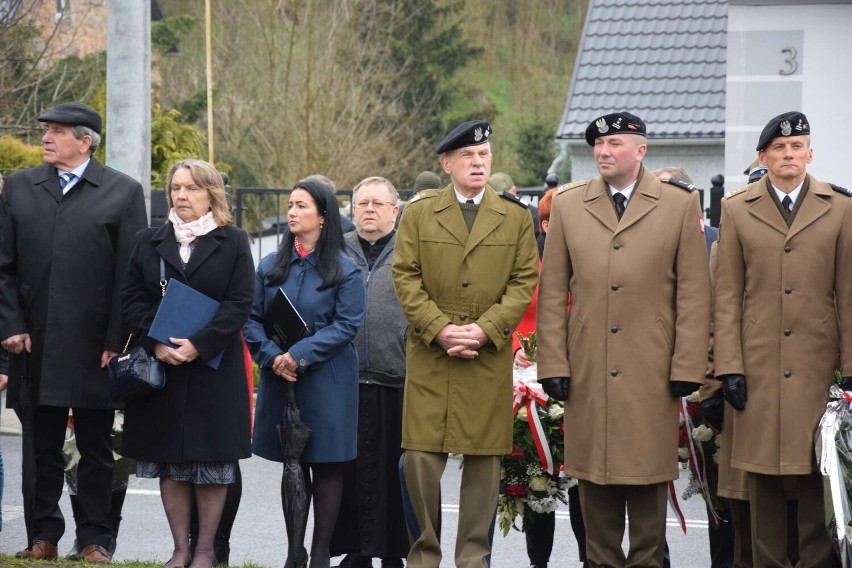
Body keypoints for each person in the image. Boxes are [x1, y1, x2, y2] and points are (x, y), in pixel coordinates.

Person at [536, 111, 711, 567]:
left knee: (649, 497)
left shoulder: (677, 205)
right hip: (589, 370)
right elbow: (553, 292)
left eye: (614, 143)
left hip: (652, 372)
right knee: (594, 491)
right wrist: (553, 364)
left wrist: (688, 365)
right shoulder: (571, 203)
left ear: (640, 150)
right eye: (598, 144)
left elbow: (693, 293)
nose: (603, 151)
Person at [0, 102, 148, 563]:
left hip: (94, 350)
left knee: (96, 448)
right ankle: (43, 536)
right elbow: (2, 268)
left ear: (85, 142)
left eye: (57, 131)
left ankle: (96, 539)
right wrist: (11, 326)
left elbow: (132, 274)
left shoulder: (122, 192)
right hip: (33, 343)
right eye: (45, 130)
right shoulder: (20, 187)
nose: (45, 137)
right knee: (40, 447)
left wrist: (116, 342)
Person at [392, 119, 539, 568]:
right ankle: (425, 555)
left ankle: (473, 559)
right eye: (468, 156)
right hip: (432, 354)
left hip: (485, 355)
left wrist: (485, 329)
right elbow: (405, 275)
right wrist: (439, 329)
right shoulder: (418, 213)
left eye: (484, 155)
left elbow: (524, 280)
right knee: (419, 458)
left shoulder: (515, 216)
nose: (478, 162)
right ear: (447, 163)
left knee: (483, 463)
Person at [713, 111, 852, 566]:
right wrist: (729, 366)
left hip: (818, 370)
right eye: (779, 148)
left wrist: (850, 371)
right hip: (758, 369)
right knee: (763, 481)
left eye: (797, 147)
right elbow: (728, 295)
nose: (788, 155)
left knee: (818, 476)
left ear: (810, 153)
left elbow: (849, 295)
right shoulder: (736, 209)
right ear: (764, 156)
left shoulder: (841, 208)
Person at [119, 159, 254, 568]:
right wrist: (157, 342)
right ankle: (180, 550)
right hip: (164, 372)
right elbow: (131, 299)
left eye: (191, 188)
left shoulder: (233, 241)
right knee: (171, 461)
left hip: (214, 368)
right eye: (176, 188)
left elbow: (240, 303)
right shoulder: (149, 240)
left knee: (211, 463)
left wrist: (200, 344)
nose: (181, 196)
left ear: (211, 194)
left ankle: (206, 551)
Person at [245, 177, 365, 568]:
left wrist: (298, 354)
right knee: (292, 463)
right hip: (283, 378)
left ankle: (319, 554)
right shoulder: (270, 265)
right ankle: (293, 550)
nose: (292, 212)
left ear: (323, 215)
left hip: (327, 379)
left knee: (326, 463)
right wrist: (273, 356)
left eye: (301, 206)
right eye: (291, 205)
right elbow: (251, 318)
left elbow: (347, 325)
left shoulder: (345, 269)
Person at [331, 176, 409, 568]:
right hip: (346, 381)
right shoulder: (337, 251)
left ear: (395, 210)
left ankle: (394, 552)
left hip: (398, 377)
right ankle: (356, 551)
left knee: (394, 474)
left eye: (378, 204)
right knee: (349, 473)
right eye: (362, 204)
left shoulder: (411, 251)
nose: (369, 210)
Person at [511, 188, 588, 568]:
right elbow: (505, 309)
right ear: (545, 224)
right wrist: (514, 347)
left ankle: (591, 558)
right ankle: (537, 562)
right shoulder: (526, 264)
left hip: (580, 381)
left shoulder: (590, 262)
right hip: (530, 386)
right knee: (536, 481)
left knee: (582, 485)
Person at [490, 171, 540, 237]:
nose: (500, 200)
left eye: (503, 196)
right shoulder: (532, 213)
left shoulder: (531, 214)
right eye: (495, 197)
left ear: (514, 191)